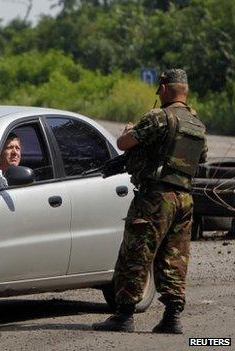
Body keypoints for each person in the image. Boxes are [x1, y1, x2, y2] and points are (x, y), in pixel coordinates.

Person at [93, 69, 207, 334]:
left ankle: (124, 316)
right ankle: (172, 317)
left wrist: (129, 131)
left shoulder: (158, 117)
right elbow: (199, 159)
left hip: (155, 198)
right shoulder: (196, 124)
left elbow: (123, 143)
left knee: (136, 253)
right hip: (184, 199)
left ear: (164, 89)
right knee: (174, 257)